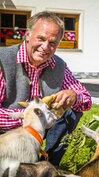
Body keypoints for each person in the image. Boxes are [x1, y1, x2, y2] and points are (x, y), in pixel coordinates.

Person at [0, 11, 92, 167]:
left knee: (71, 112)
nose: (45, 47)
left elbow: (86, 99)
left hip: (37, 133)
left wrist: (74, 95)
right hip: (6, 137)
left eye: (52, 43)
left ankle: (48, 164)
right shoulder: (3, 60)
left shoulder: (58, 65)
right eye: (41, 39)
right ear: (27, 35)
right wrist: (26, 117)